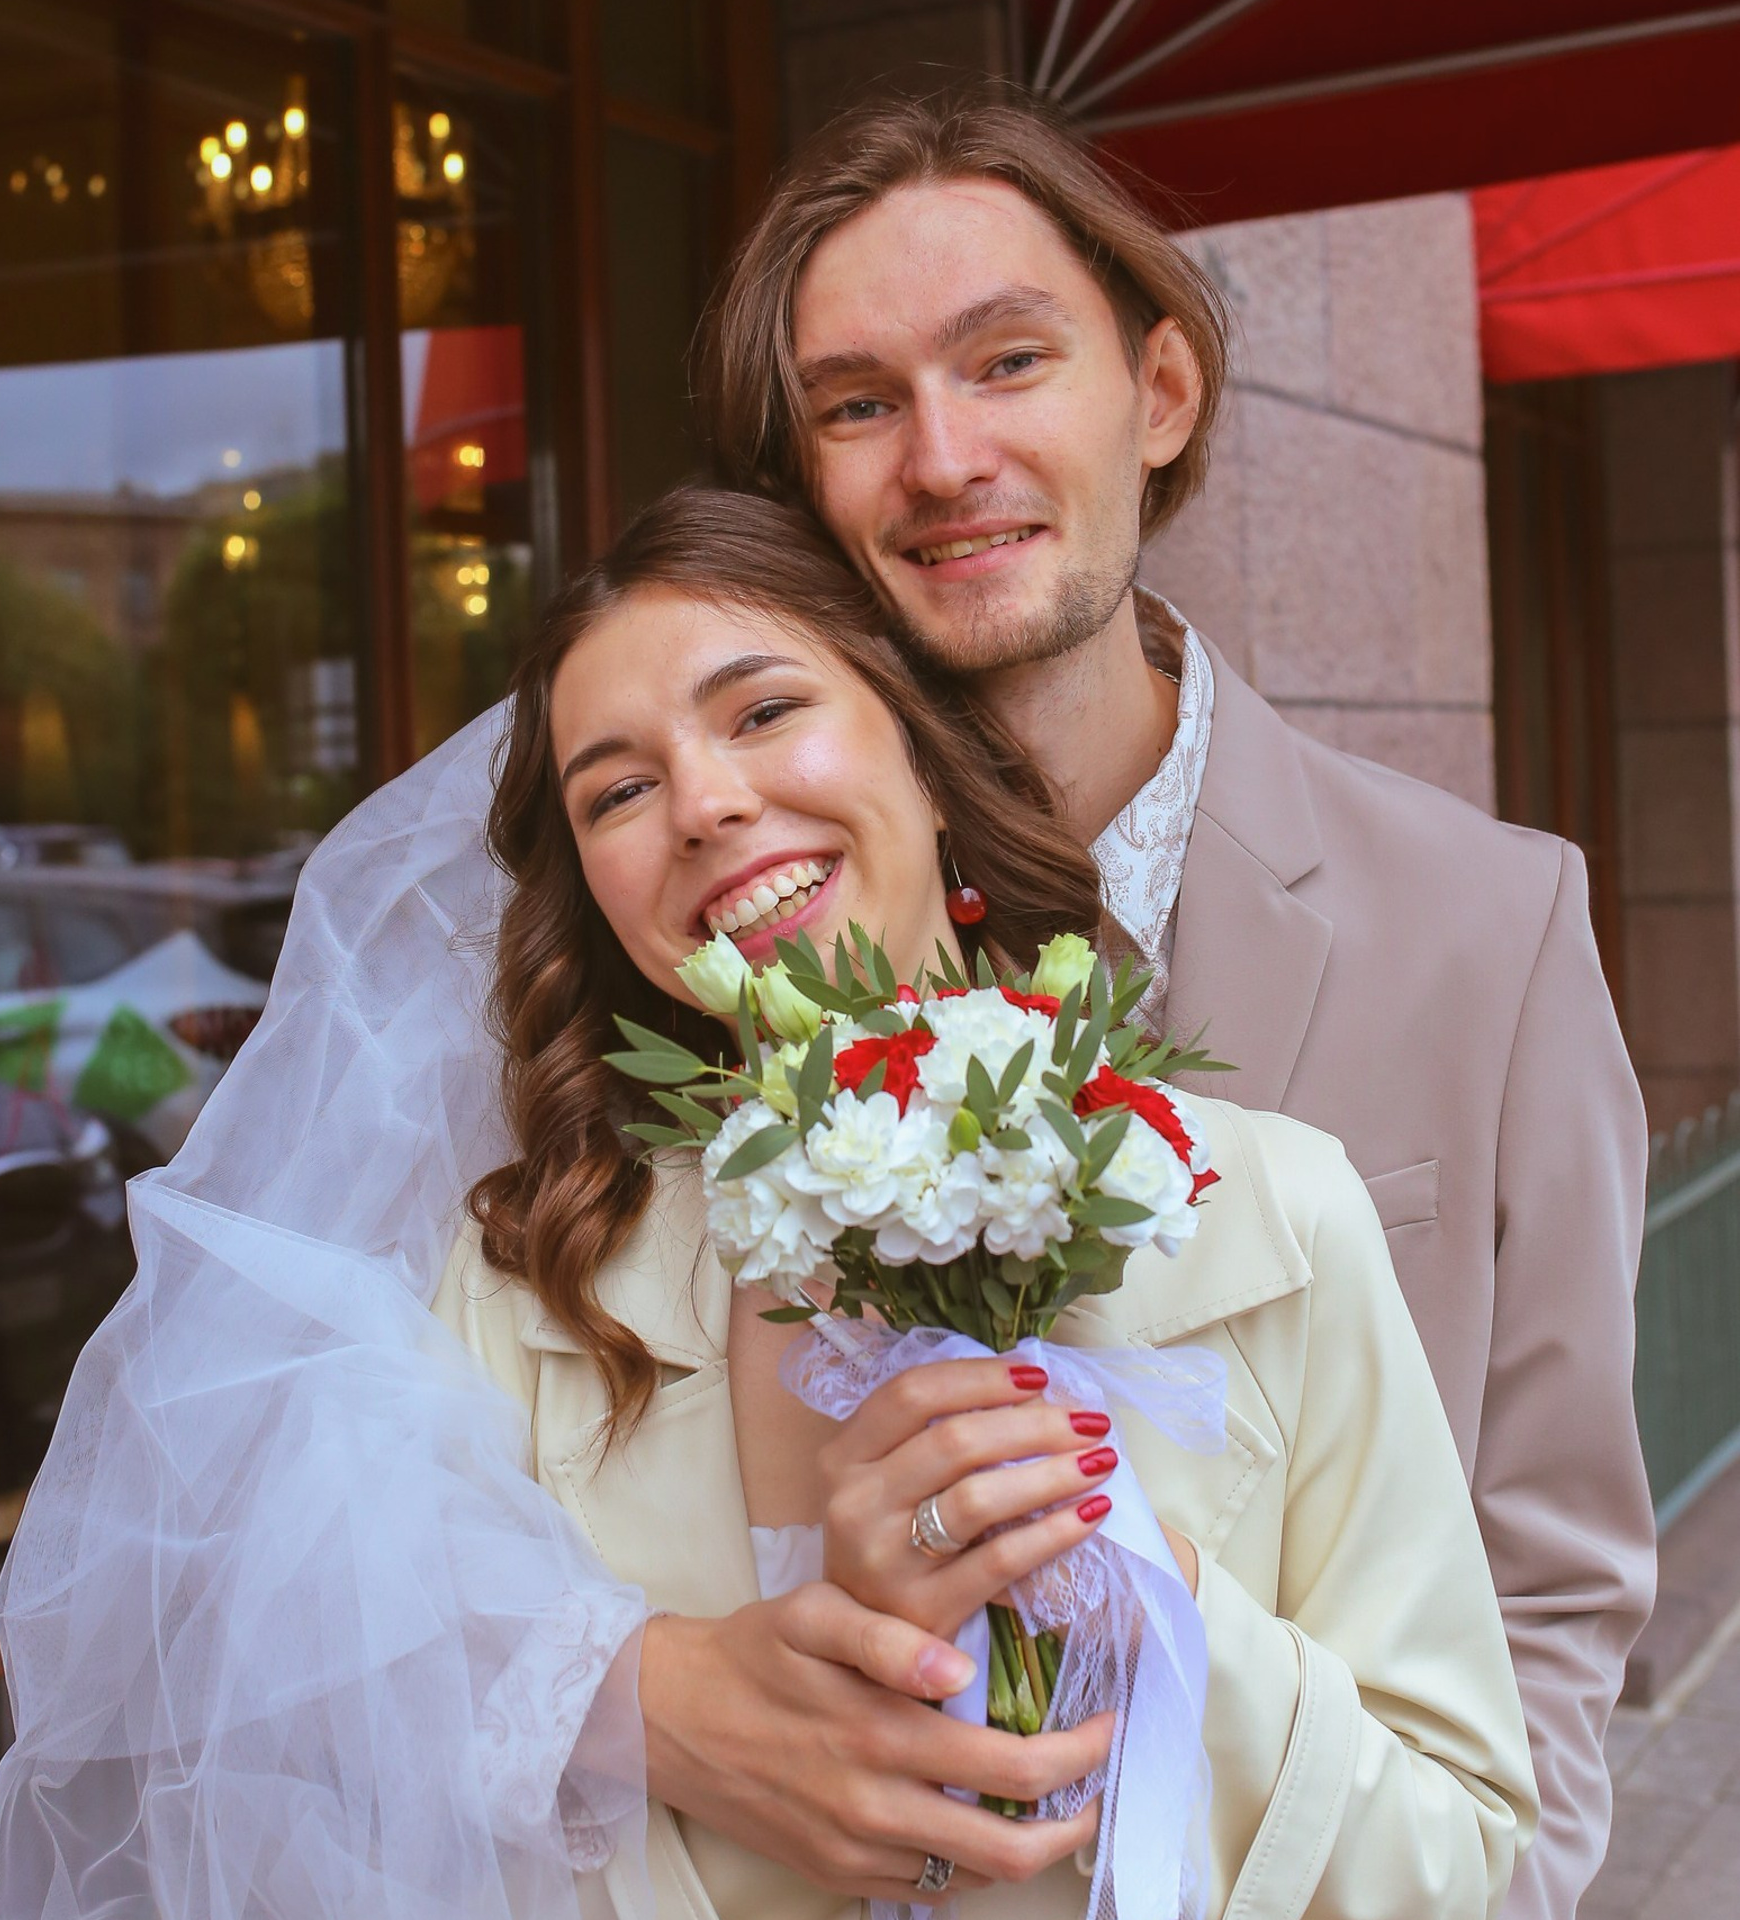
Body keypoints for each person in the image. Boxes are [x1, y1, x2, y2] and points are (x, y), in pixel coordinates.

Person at [696, 86, 1654, 1920]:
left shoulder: (1491, 923)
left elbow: (1554, 1593)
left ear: (1160, 395)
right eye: (859, 404)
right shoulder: (736, 958)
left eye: (1008, 360)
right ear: (802, 485)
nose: (943, 455)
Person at [436, 481, 1535, 1917]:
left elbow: (1458, 1862)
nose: (703, 802)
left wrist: (1152, 1601)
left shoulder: (1273, 1212)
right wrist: (654, 1718)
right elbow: (384, 1803)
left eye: (762, 711)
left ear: (929, 754)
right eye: (618, 790)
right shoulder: (527, 1287)